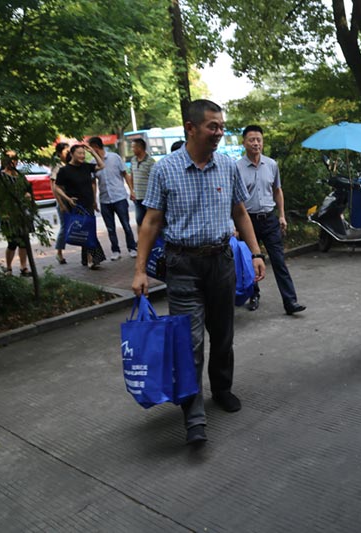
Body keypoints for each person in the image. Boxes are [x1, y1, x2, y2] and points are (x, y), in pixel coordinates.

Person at [131, 99, 267, 446]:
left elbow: (240, 212)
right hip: (182, 266)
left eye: (221, 126)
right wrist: (139, 271)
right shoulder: (165, 169)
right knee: (189, 343)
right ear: (191, 128)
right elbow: (151, 222)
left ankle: (221, 389)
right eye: (212, 126)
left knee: (223, 336)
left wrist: (255, 253)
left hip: (221, 261)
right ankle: (193, 415)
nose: (219, 132)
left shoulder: (227, 166)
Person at [237, 125, 305, 315]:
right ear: (244, 143)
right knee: (250, 261)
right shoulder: (236, 168)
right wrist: (235, 225)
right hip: (247, 221)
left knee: (279, 260)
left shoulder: (271, 165)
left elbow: (277, 190)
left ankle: (290, 301)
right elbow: (234, 200)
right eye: (251, 140)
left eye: (259, 139)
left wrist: (282, 215)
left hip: (269, 219)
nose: (256, 143)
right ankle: (254, 295)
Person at [55, 144, 106, 269]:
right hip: (76, 205)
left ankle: (87, 259)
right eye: (79, 153)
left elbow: (101, 165)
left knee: (88, 231)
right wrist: (67, 199)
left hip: (88, 203)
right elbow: (57, 187)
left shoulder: (86, 167)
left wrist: (92, 152)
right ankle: (91, 259)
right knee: (86, 231)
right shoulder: (64, 170)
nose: (82, 156)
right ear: (72, 154)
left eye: (83, 153)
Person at [88, 136, 137, 260]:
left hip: (119, 196)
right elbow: (93, 183)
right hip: (104, 199)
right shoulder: (93, 163)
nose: (89, 151)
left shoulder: (115, 157)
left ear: (96, 147)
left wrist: (132, 191)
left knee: (126, 225)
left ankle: (132, 248)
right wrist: (93, 200)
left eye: (91, 148)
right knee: (110, 228)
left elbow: (125, 174)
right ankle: (115, 250)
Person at [0, 150, 35, 276]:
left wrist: (28, 196)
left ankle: (24, 267)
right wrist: (4, 213)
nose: (14, 161)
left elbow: (28, 190)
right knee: (12, 242)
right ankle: (9, 268)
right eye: (10, 159)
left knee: (24, 241)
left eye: (15, 158)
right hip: (9, 213)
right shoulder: (1, 177)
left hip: (22, 212)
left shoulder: (20, 175)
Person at [50, 142, 70, 264]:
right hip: (63, 200)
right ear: (59, 153)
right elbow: (54, 187)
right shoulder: (57, 167)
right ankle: (59, 252)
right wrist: (61, 204)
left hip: (72, 199)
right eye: (65, 151)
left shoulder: (70, 164)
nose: (68, 153)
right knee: (65, 227)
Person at [129, 138, 155, 228]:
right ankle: (140, 237)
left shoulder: (150, 161)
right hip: (137, 197)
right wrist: (132, 191)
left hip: (148, 197)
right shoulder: (133, 160)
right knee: (139, 220)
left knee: (150, 221)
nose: (132, 149)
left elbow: (154, 179)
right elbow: (132, 176)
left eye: (133, 147)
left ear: (139, 148)